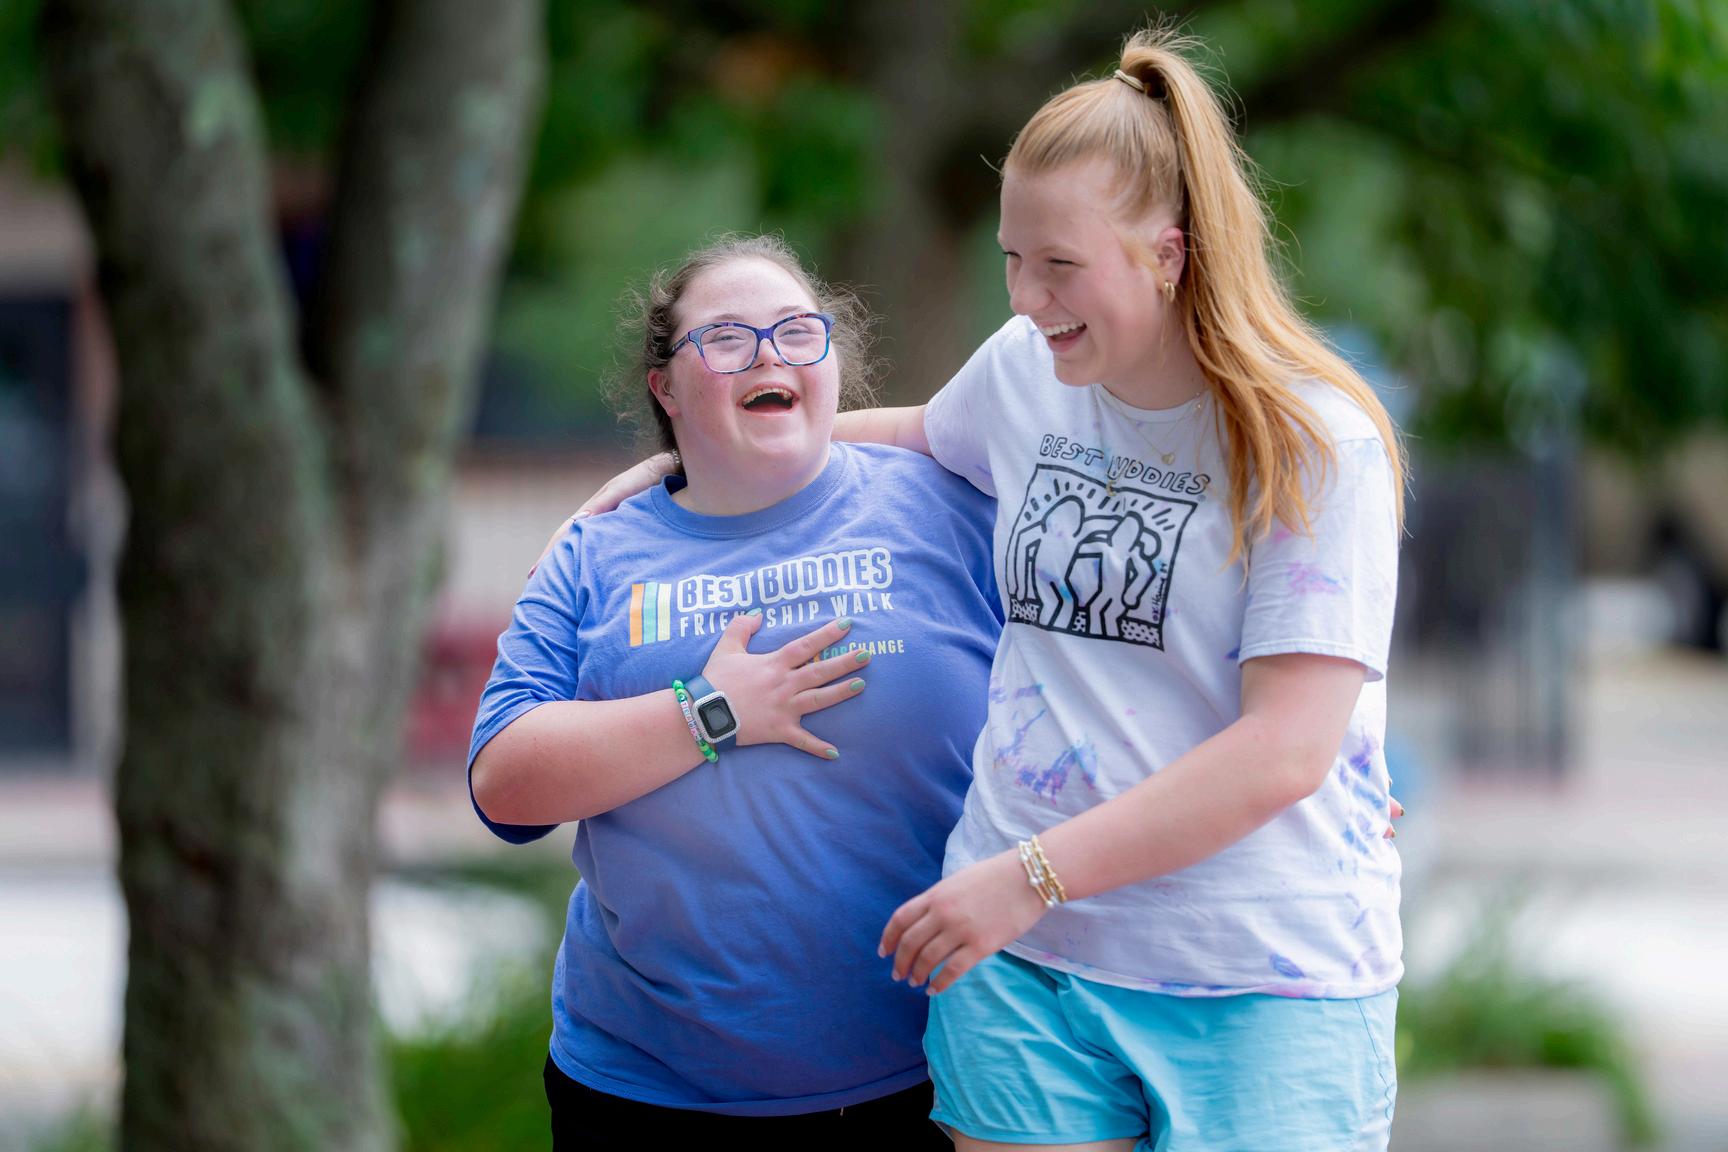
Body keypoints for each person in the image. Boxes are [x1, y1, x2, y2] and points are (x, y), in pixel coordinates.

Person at [578, 27, 1408, 1152]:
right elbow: (911, 434)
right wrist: (686, 460)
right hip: (1025, 967)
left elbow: (1283, 752)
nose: (1025, 297)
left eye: (1059, 265)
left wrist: (1032, 877)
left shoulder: (1313, 443)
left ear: (1168, 253)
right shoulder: (1030, 372)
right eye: (1014, 258)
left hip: (1259, 969)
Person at [467, 235, 1001, 1148]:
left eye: (796, 332)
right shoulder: (593, 553)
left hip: (937, 1070)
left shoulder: (951, 507)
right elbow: (503, 786)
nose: (767, 355)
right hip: (653, 1092)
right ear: (665, 388)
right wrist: (709, 713)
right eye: (725, 338)